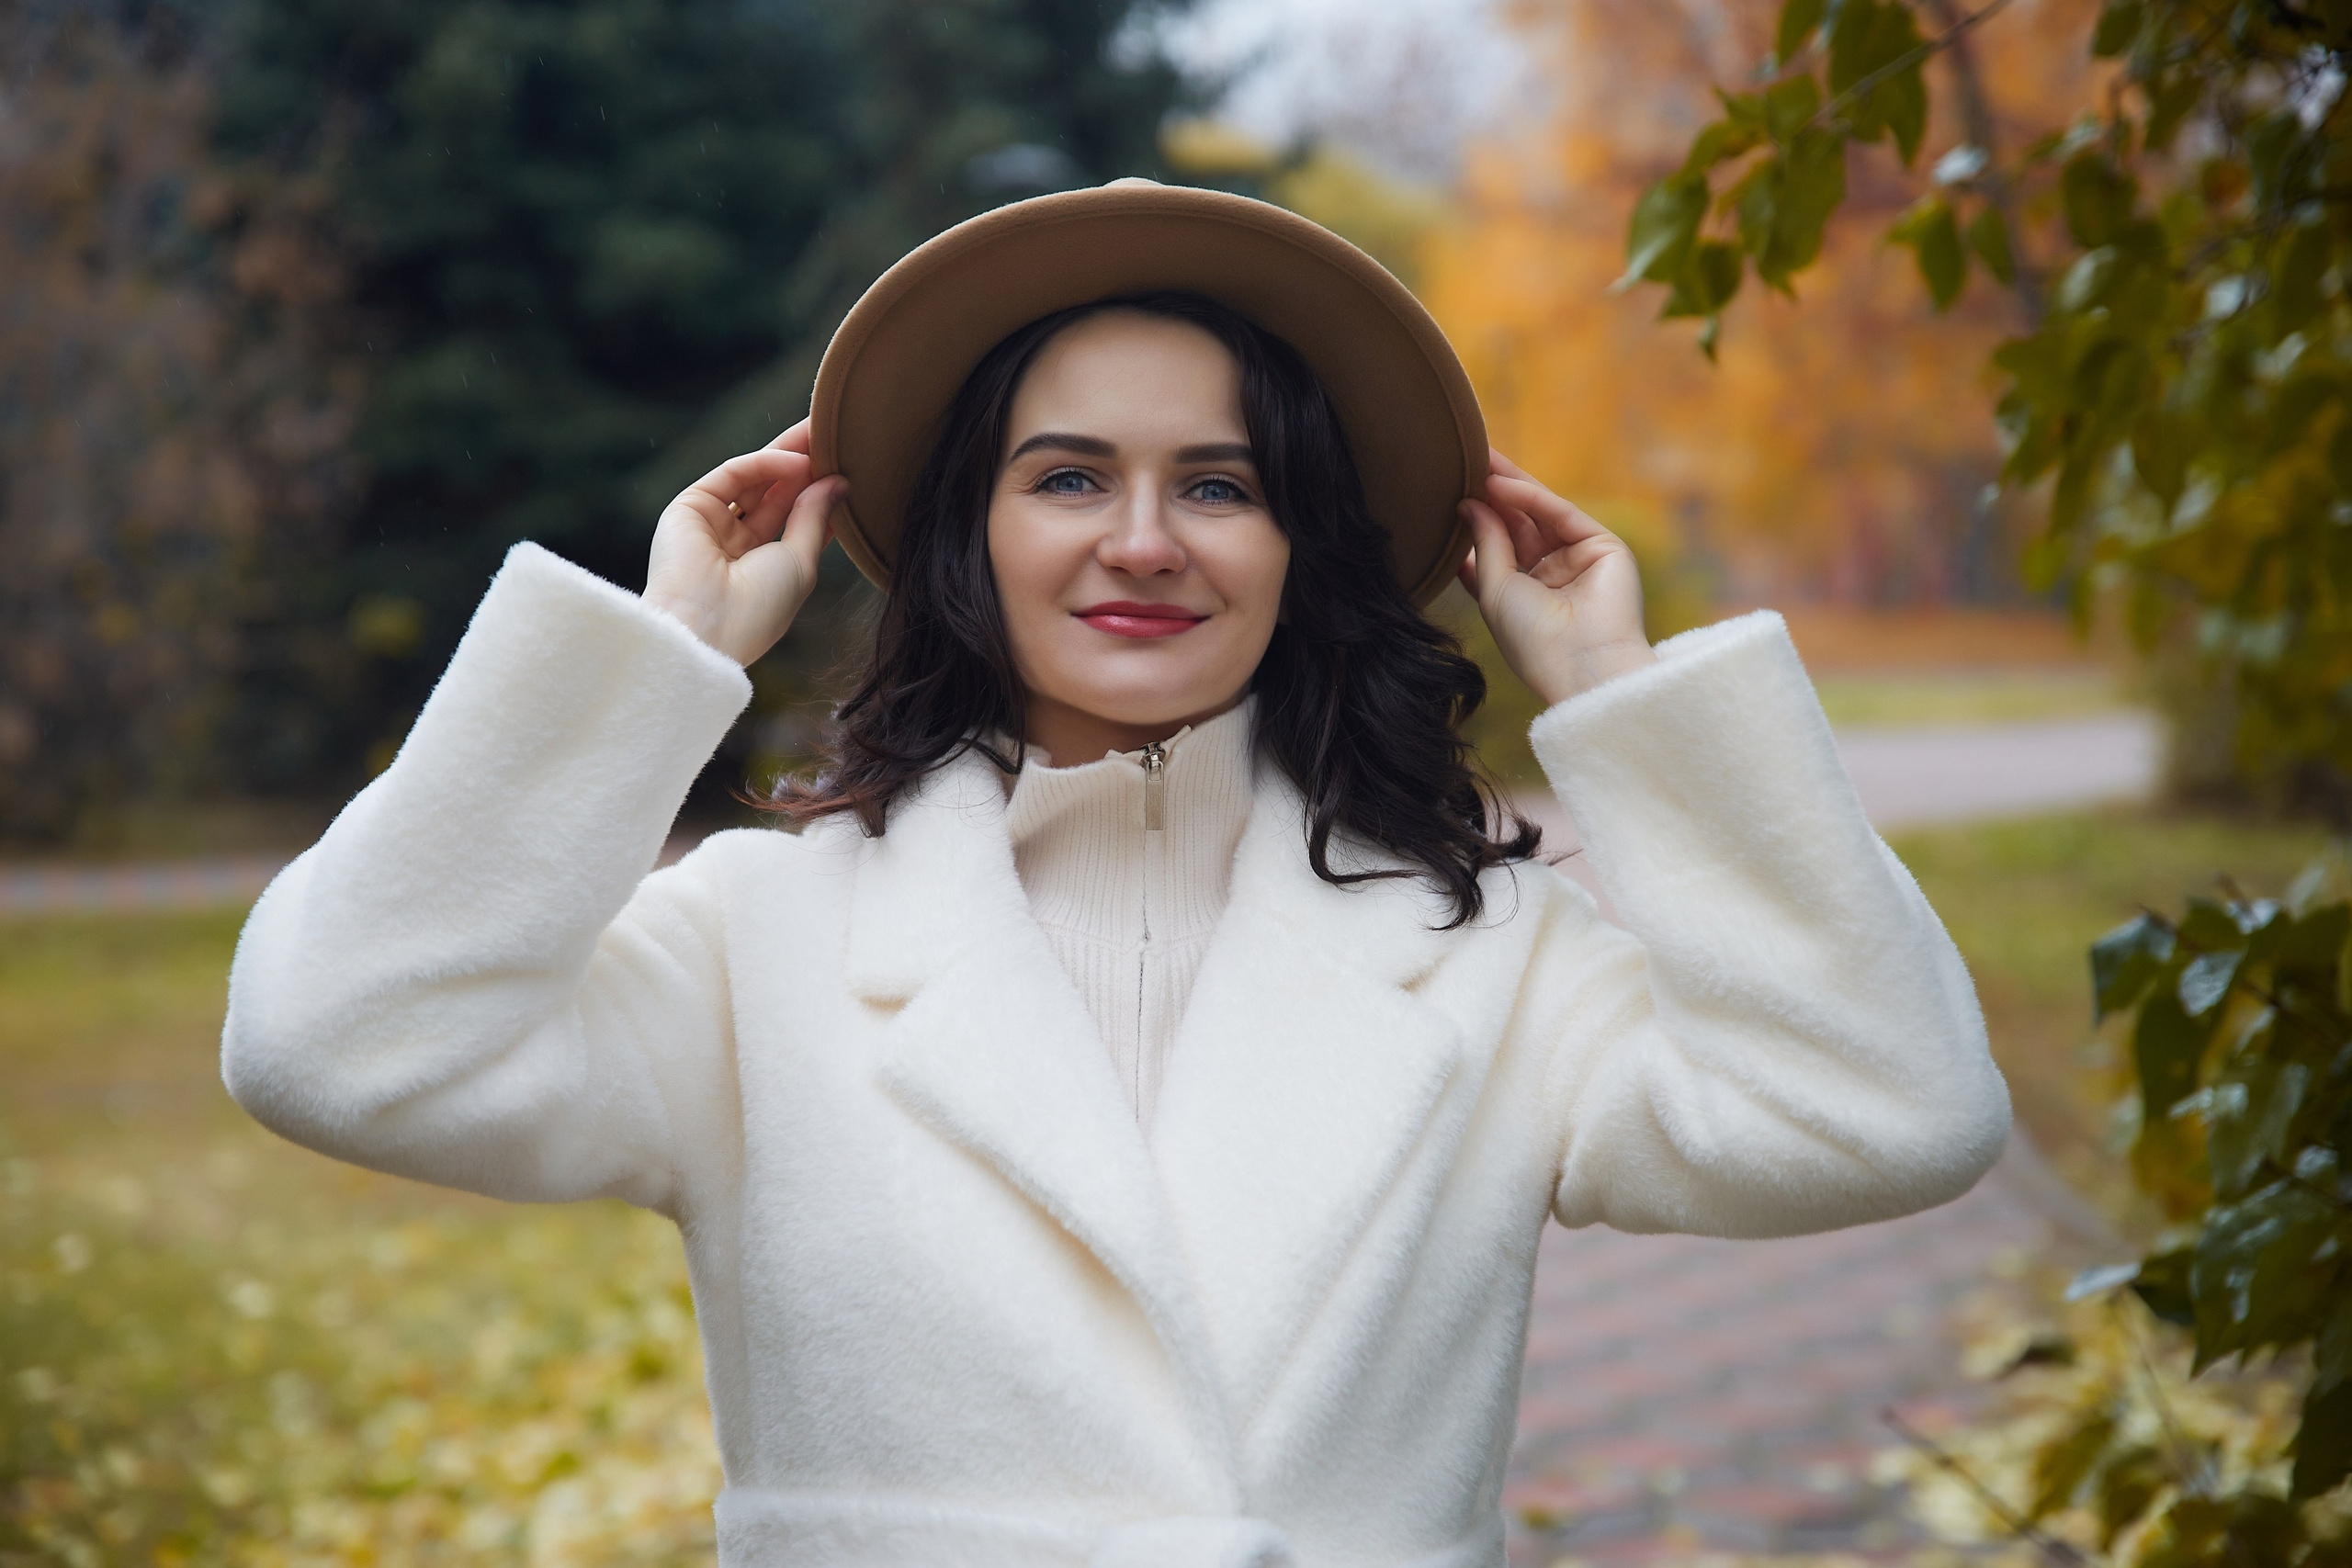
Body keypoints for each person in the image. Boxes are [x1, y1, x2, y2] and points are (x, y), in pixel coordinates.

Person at [221, 182, 2009, 1568]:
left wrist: (1624, 703)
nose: (1140, 541)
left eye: (1215, 484)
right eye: (1067, 473)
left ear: (1299, 544)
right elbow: (336, 1037)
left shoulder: (1491, 955)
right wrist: (650, 652)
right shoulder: (756, 943)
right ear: (968, 533)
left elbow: (1888, 1105)